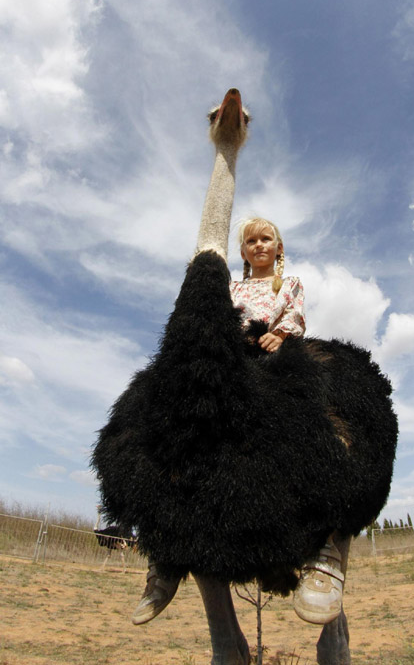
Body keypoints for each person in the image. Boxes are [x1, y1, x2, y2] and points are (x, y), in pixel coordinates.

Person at [131, 217, 343, 626]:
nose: (259, 245)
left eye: (267, 239)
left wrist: (280, 335)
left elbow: (295, 317)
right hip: (231, 362)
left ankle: (327, 544)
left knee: (313, 421)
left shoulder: (290, 283)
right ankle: (166, 552)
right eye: (251, 241)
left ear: (278, 248)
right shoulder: (232, 287)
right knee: (165, 425)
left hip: (273, 355)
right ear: (243, 251)